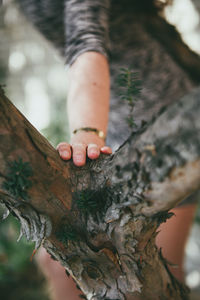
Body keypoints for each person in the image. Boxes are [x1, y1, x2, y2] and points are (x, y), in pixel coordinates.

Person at [14, 0, 198, 299]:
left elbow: (86, 39)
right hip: (113, 118)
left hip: (159, 120)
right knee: (58, 260)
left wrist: (87, 133)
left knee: (161, 275)